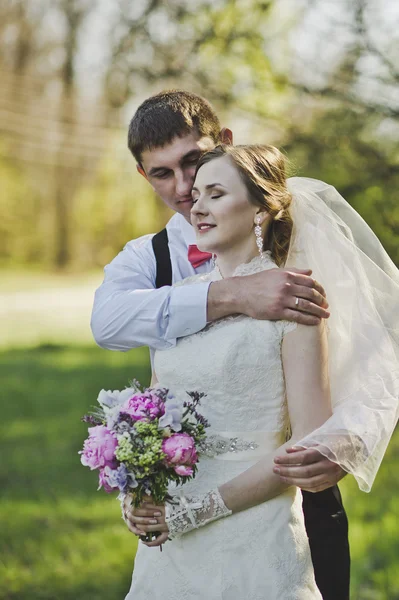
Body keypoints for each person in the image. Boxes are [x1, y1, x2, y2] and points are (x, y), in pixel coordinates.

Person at [91, 91, 349, 598]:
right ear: (144, 177)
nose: (187, 190)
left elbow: (369, 360)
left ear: (224, 145)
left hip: (276, 510)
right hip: (174, 542)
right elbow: (110, 328)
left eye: (194, 163)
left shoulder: (304, 261)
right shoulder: (152, 262)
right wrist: (232, 294)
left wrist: (347, 440)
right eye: (163, 173)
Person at [119, 144, 398, 599]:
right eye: (198, 193)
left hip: (251, 532)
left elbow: (304, 443)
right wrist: (135, 496)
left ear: (261, 211)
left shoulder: (298, 302)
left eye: (215, 193)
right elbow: (150, 413)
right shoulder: (183, 299)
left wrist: (196, 512)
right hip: (168, 545)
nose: (197, 205)